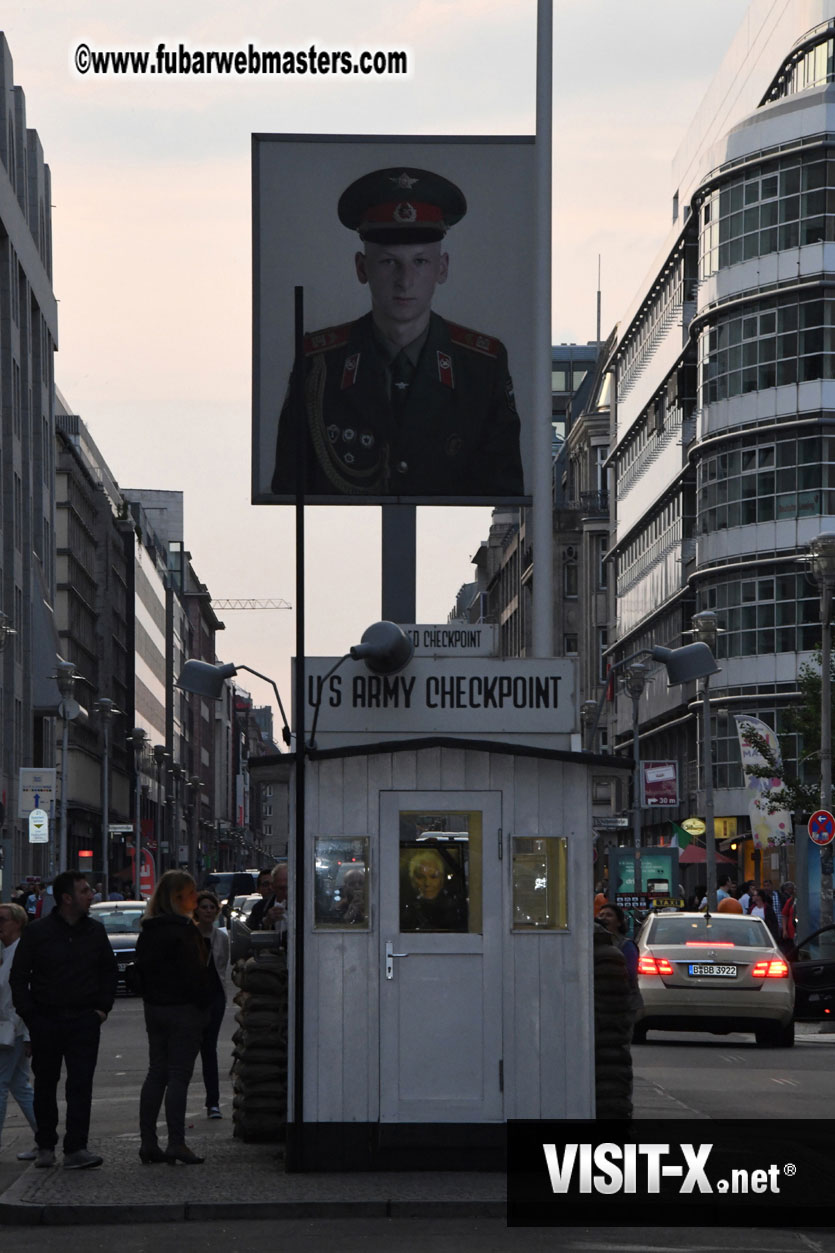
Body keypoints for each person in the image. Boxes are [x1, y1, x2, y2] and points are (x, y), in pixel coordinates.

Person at [271, 165, 524, 500]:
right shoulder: (319, 365)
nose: (405, 281)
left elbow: (505, 494)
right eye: (389, 262)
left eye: (420, 262)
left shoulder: (481, 366)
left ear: (442, 268)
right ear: (362, 268)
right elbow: (289, 489)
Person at [10, 870, 117, 1170]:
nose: (91, 895)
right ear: (67, 898)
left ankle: (76, 1147)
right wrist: (30, 1014)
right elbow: (19, 976)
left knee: (81, 1085)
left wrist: (101, 1009)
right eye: (85, 891)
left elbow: (108, 972)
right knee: (45, 1084)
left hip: (84, 1019)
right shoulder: (38, 932)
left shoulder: (94, 931)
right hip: (46, 1019)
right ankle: (45, 1145)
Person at [136, 870, 211, 1165]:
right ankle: (176, 1142)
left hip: (155, 1008)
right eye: (191, 893)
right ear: (178, 897)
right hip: (184, 1009)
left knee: (157, 1072)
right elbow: (196, 974)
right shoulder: (185, 930)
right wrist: (203, 1007)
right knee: (179, 1075)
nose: (196, 898)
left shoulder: (149, 930)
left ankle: (148, 1142)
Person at [0, 904, 38, 1161]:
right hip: (12, 1028)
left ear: (17, 923)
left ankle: (45, 1138)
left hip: (13, 1028)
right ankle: (44, 1138)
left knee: (3, 1085)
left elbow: (26, 994)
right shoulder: (8, 952)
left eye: (2, 919)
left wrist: (28, 1035)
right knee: (18, 1086)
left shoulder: (19, 953)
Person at [193, 890, 230, 1120]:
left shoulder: (221, 938)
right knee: (188, 1050)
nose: (208, 911)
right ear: (196, 910)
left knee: (209, 1048)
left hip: (215, 997)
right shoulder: (189, 936)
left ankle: (213, 1102)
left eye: (212, 907)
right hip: (193, 999)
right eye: (204, 907)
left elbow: (223, 964)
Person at [597, 903, 643, 1033]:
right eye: (601, 915)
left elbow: (630, 975)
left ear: (619, 922)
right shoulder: (593, 944)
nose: (604, 918)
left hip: (623, 1004)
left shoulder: (626, 946)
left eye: (609, 915)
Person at [400, 848, 467, 932]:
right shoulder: (404, 911)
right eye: (420, 877)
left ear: (442, 879)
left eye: (433, 877)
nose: (427, 883)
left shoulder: (456, 910)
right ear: (412, 880)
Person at [245, 868, 277, 933]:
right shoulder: (258, 908)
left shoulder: (287, 904)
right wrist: (265, 923)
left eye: (273, 884)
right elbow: (250, 931)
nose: (270, 888)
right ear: (258, 889)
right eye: (266, 885)